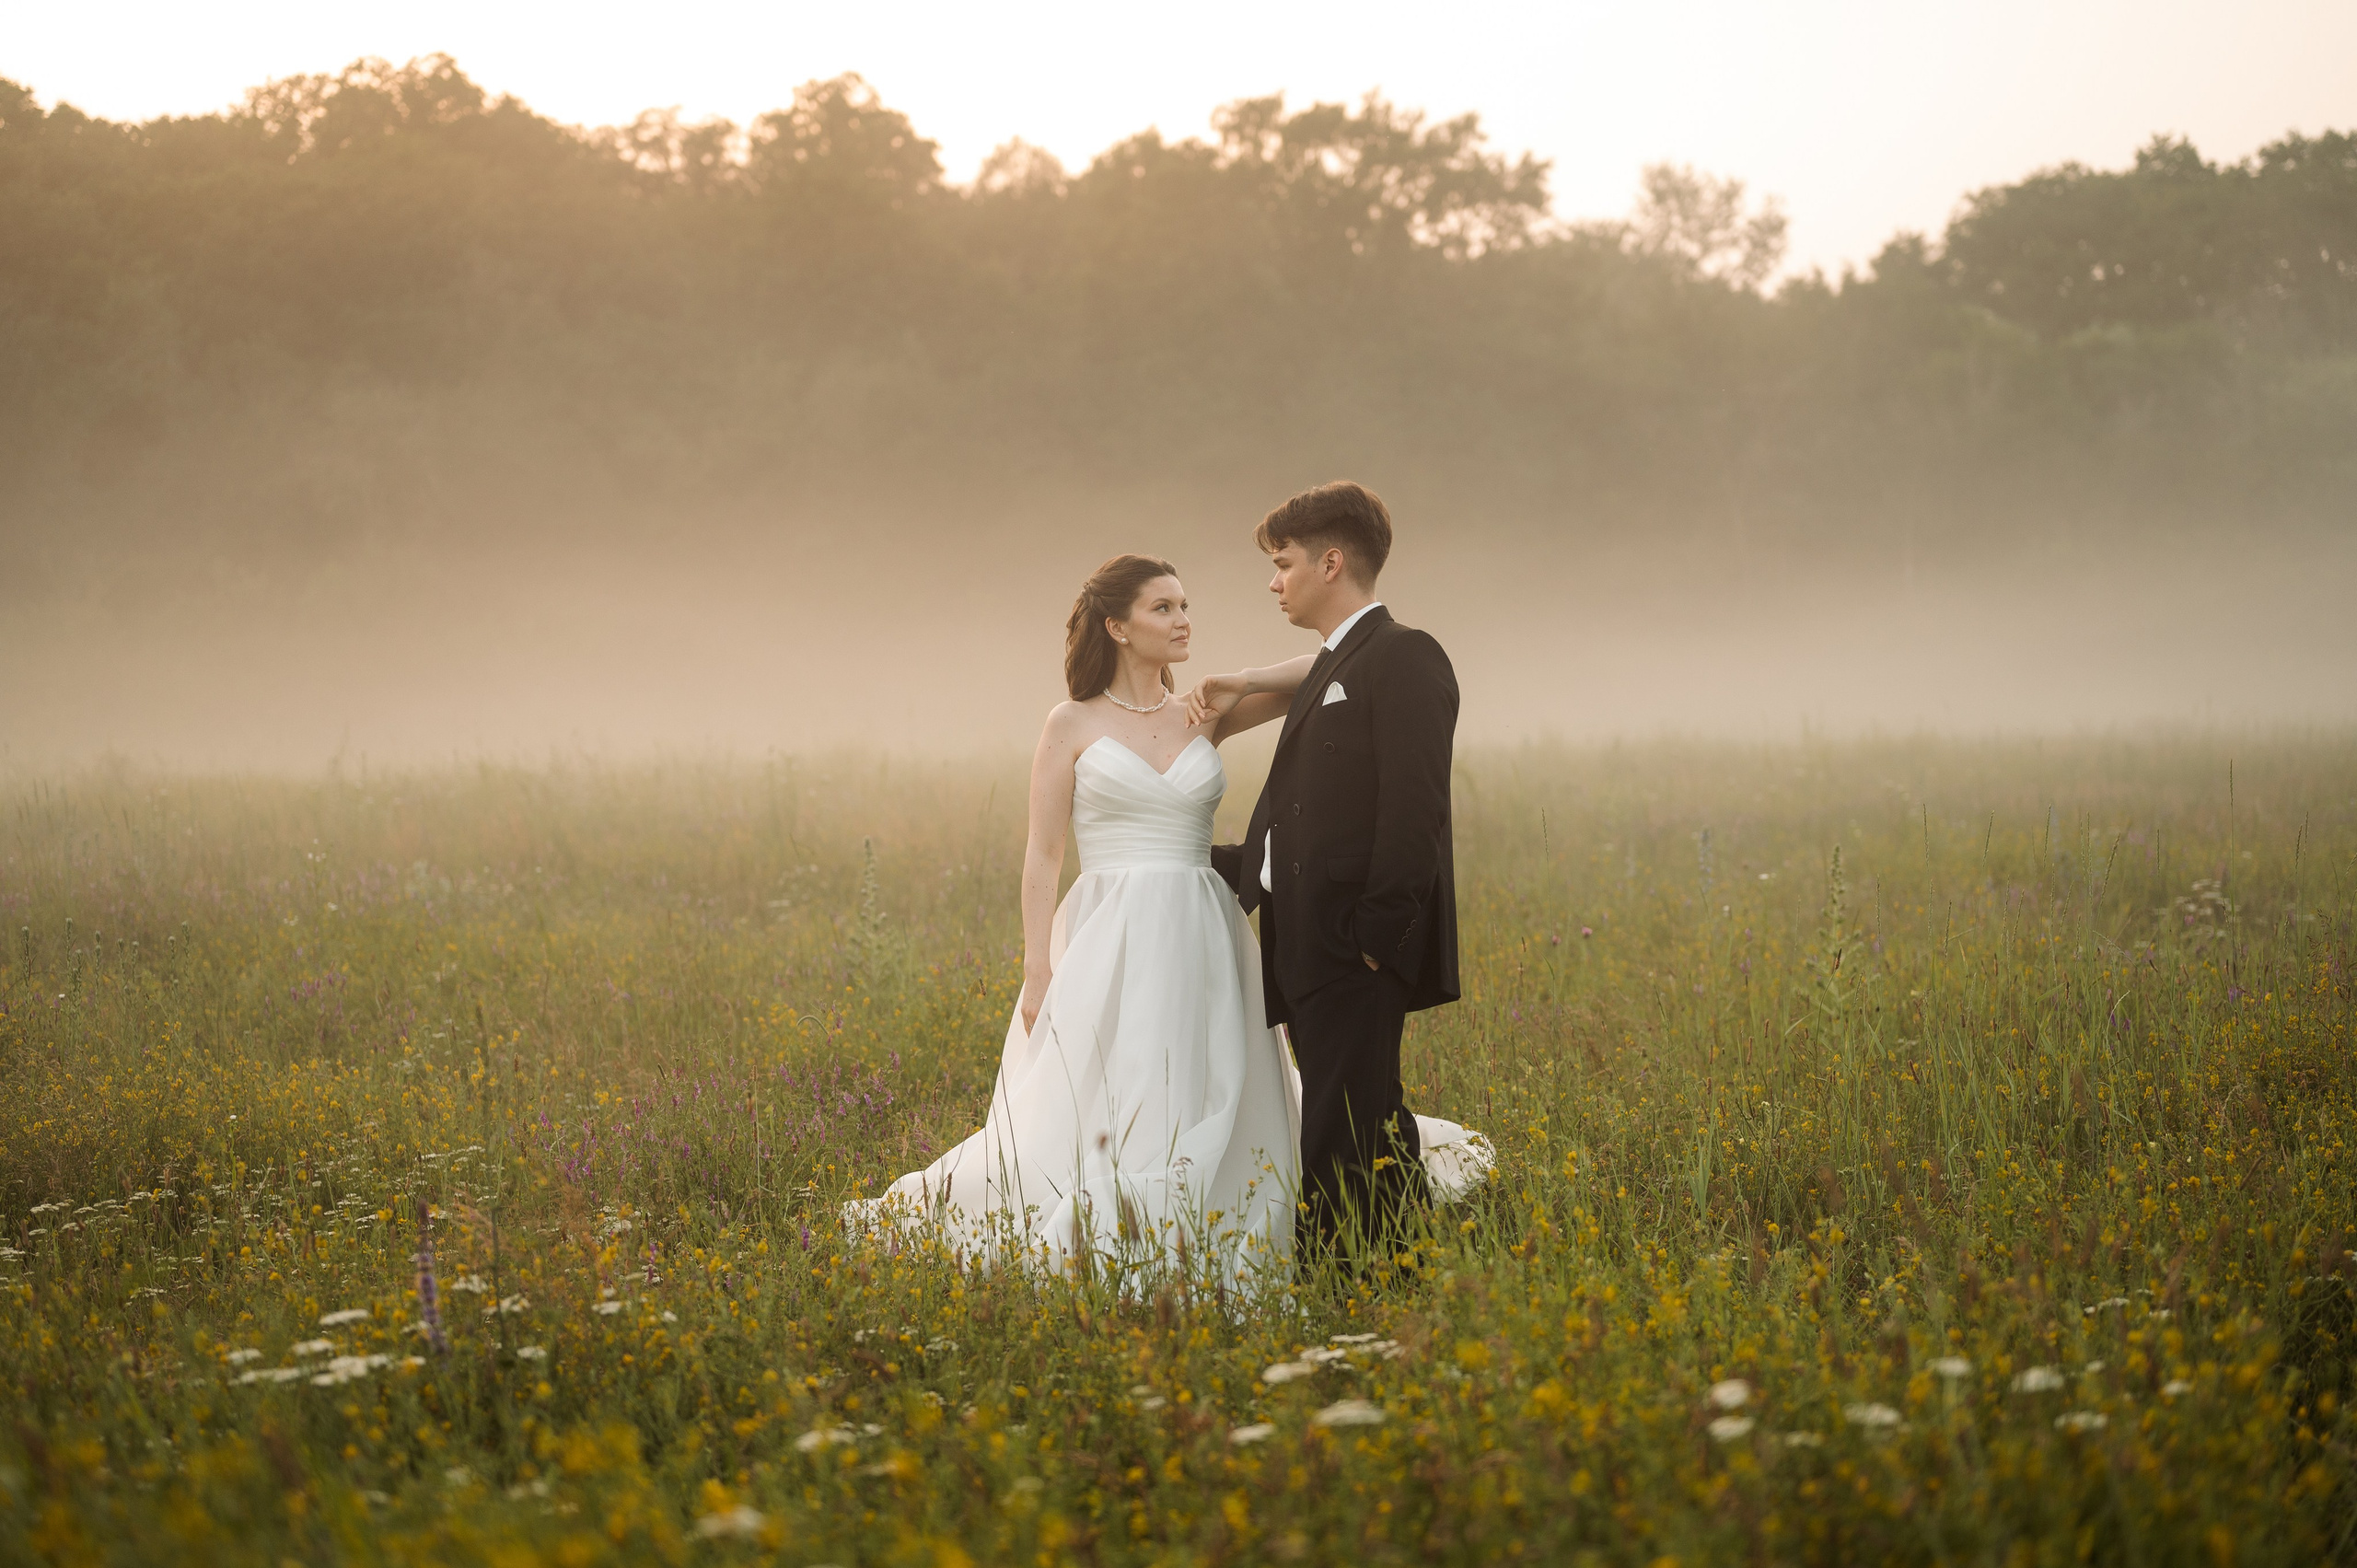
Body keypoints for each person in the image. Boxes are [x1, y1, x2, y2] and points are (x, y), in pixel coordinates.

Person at [846, 547, 1487, 1284]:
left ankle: (1242, 1200)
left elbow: (1331, 667)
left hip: (1205, 925)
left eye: (1185, 606)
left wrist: (1240, 680)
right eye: (1164, 608)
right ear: (1116, 626)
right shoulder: (1071, 722)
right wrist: (1036, 968)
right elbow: (1043, 855)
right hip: (1110, 930)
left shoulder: (1201, 714)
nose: (1184, 620)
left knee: (1212, 1070)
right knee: (1110, 1084)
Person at [1186, 480, 1488, 1267]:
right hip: (1303, 941)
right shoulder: (1333, 663)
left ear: (1331, 561)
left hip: (1356, 943)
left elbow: (1416, 808)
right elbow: (1303, 814)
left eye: (1283, 563)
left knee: (1333, 1127)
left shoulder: (1405, 655)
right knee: (1369, 1116)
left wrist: (1377, 937)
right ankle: (1400, 1268)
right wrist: (1204, 862)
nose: (1274, 580)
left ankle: (1336, 1287)